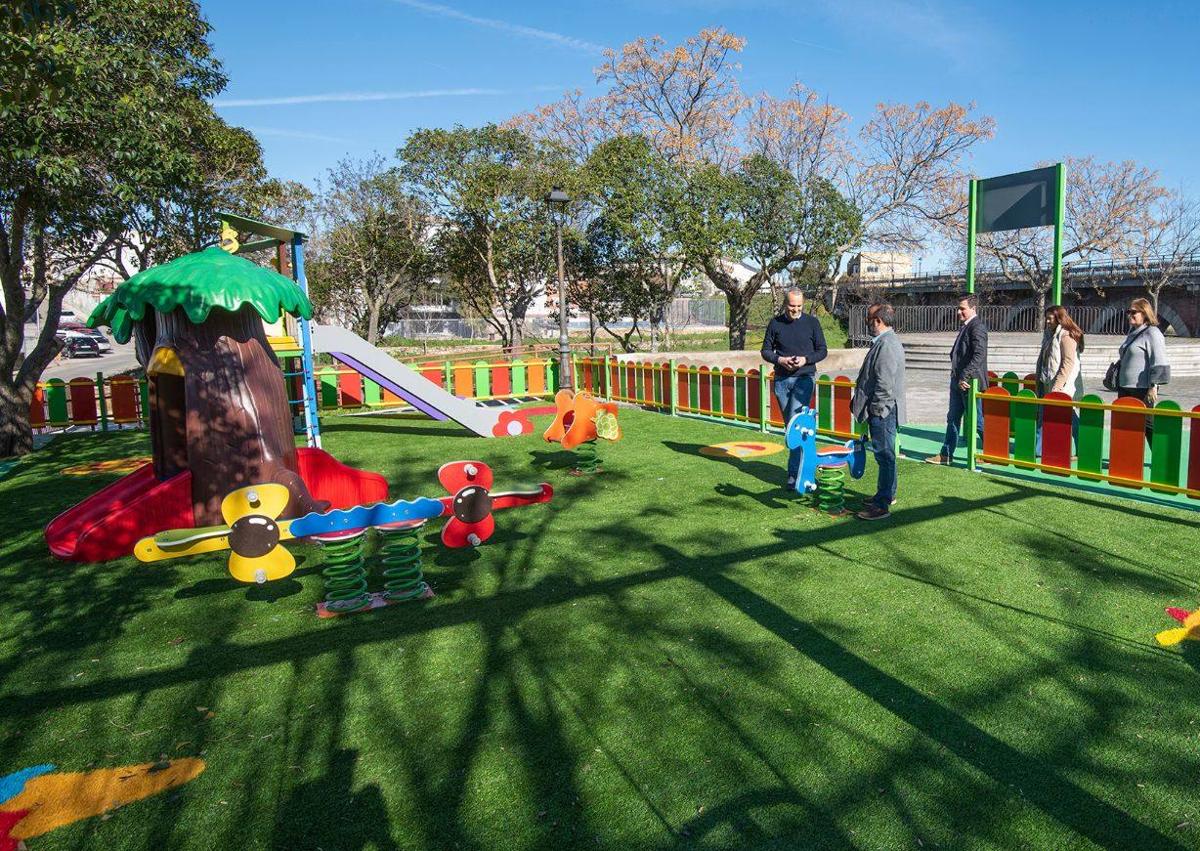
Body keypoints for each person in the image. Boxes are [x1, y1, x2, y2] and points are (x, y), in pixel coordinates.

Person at [760, 288, 828, 488]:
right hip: (781, 380)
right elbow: (765, 350)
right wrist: (780, 359)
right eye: (791, 306)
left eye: (799, 306)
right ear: (785, 304)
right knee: (790, 427)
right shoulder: (775, 324)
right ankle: (804, 469)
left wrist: (805, 360)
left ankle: (795, 476)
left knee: (796, 427)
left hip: (804, 379)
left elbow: (822, 350)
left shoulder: (812, 323)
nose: (795, 310)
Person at [851, 303, 905, 521]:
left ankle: (881, 505)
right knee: (885, 456)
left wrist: (876, 410)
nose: (867, 324)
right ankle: (886, 495)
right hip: (883, 409)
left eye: (869, 320)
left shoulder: (887, 345)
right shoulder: (885, 342)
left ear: (878, 321)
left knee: (884, 456)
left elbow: (884, 383)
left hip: (883, 411)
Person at [925, 293, 988, 465]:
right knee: (953, 418)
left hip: (969, 382)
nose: (958, 312)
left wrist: (965, 375)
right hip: (958, 380)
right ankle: (946, 454)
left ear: (973, 308)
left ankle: (991, 453)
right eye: (958, 308)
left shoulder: (977, 327)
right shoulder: (967, 326)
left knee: (977, 419)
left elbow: (979, 354)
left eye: (962, 309)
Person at [1117, 297, 1170, 441]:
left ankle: (1160, 458)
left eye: (1134, 312)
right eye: (1129, 312)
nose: (1130, 315)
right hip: (1125, 387)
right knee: (1126, 425)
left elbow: (1159, 360)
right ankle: (1128, 458)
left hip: (1142, 388)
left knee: (1148, 426)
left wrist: (1154, 386)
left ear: (1144, 313)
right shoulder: (1132, 332)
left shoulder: (1153, 333)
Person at [1035, 305, 1085, 452]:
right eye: (1047, 318)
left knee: (1069, 417)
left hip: (1062, 385)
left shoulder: (1066, 336)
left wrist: (1058, 385)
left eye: (1050, 318)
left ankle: (1083, 447)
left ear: (1059, 318)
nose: (1047, 321)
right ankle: (1039, 449)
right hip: (1047, 381)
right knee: (1044, 414)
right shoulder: (1049, 334)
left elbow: (1068, 362)